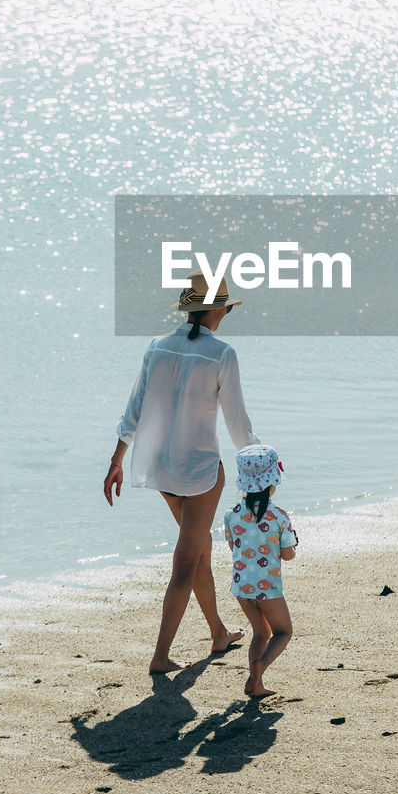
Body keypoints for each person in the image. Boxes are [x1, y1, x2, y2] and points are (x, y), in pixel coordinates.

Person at [103, 271, 260, 674]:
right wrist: (259, 464)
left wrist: (117, 460)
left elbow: (134, 406)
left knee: (200, 551)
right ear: (219, 311)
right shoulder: (222, 353)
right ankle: (160, 656)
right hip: (201, 473)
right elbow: (238, 423)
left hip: (162, 470)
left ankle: (219, 633)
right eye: (225, 309)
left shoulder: (157, 347)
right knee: (186, 561)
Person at [223, 444, 298, 698]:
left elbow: (234, 546)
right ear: (272, 482)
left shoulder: (231, 515)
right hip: (268, 588)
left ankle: (256, 685)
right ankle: (259, 668)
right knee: (283, 632)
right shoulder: (279, 517)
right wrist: (289, 544)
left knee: (260, 632)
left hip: (242, 587)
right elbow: (288, 556)